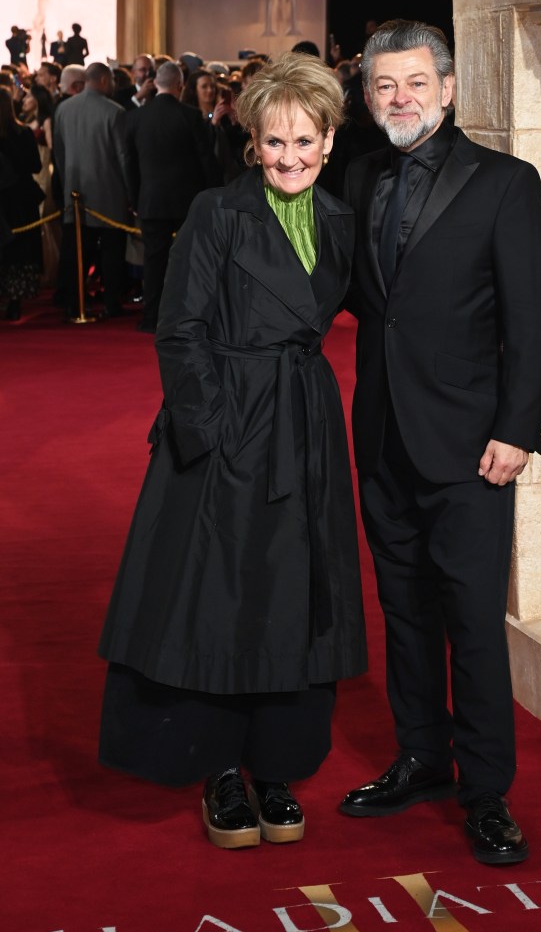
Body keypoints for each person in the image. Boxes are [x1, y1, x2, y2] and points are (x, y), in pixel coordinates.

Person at [97, 51, 367, 850]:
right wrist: (210, 431)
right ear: (253, 141)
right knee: (216, 597)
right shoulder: (217, 211)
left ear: (328, 138)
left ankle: (276, 766)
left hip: (304, 426)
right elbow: (179, 330)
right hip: (220, 429)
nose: (289, 157)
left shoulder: (341, 220)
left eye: (304, 141)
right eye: (274, 142)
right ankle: (217, 768)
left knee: (291, 594)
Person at [338, 20, 541, 866]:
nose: (400, 99)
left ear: (449, 87)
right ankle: (422, 758)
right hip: (384, 436)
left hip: (472, 447)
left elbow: (530, 318)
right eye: (384, 86)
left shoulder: (505, 182)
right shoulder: (357, 174)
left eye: (415, 83)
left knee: (469, 617)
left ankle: (487, 791)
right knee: (402, 611)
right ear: (367, 96)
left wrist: (516, 428)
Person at [126, 60, 222, 332]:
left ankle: (152, 317)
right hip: (187, 201)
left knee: (154, 261)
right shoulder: (191, 116)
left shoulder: (135, 117)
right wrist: (213, 194)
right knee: (191, 261)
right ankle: (190, 317)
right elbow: (206, 160)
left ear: (155, 84)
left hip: (151, 200)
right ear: (180, 85)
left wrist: (134, 199)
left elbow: (129, 164)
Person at [52, 62, 133, 318]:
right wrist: (131, 194)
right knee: (112, 252)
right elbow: (123, 158)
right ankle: (111, 303)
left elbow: (60, 153)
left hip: (75, 194)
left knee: (77, 252)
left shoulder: (63, 109)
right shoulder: (115, 112)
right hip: (110, 194)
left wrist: (68, 185)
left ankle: (74, 303)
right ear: (103, 81)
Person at [0, 87, 43, 320]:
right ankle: (15, 301)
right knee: (19, 253)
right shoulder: (23, 133)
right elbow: (36, 166)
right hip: (20, 200)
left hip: (4, 202)